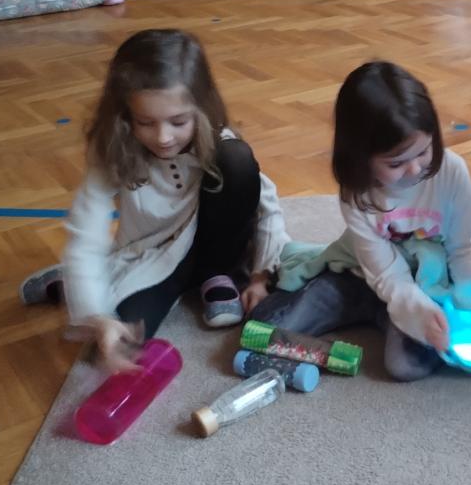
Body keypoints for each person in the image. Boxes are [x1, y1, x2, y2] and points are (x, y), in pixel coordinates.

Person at [18, 29, 289, 374]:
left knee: (237, 159)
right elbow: (86, 235)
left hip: (216, 248)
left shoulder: (217, 138)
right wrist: (98, 317)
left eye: (178, 122)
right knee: (121, 339)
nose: (163, 138)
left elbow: (266, 204)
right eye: (145, 122)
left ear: (201, 108)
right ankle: (68, 284)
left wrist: (260, 277)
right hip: (155, 255)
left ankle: (215, 275)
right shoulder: (111, 153)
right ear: (124, 115)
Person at [249, 61, 471, 381]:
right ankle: (377, 311)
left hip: (427, 280)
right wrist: (413, 312)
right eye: (396, 163)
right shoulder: (358, 193)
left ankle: (397, 317)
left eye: (423, 152)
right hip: (363, 275)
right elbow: (387, 275)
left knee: (405, 367)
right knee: (263, 327)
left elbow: (465, 248)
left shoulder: (451, 171)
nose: (415, 169)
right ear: (360, 159)